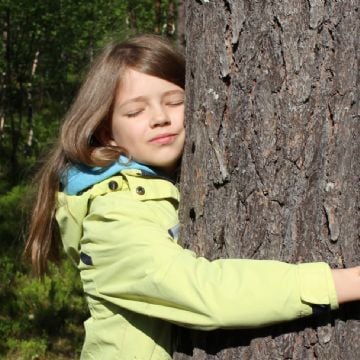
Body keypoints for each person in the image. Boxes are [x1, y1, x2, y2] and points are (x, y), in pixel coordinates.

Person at [25, 34, 360, 359]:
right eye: (135, 111)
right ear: (106, 133)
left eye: (175, 101)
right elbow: (204, 293)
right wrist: (342, 282)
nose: (160, 118)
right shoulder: (113, 215)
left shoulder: (156, 189)